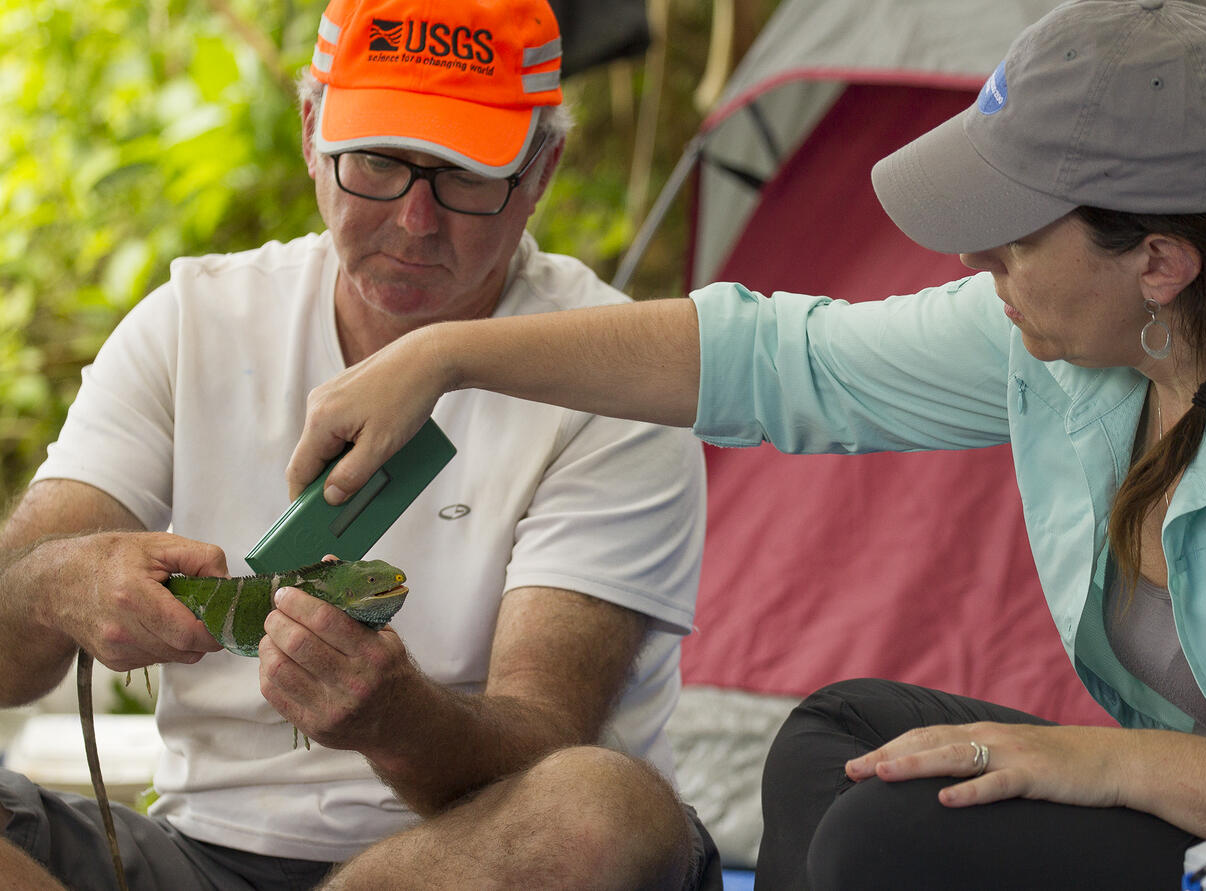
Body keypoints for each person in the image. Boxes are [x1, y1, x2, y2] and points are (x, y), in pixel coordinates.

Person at [280, 0, 1206, 887]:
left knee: (893, 835)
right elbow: (782, 358)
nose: (975, 255)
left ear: (1158, 262)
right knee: (832, 749)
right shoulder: (1080, 341)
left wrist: (1112, 766)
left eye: (1013, 233)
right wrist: (450, 358)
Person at [0, 0, 722, 888]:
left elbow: (547, 738)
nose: (417, 221)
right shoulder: (195, 323)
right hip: (194, 853)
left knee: (603, 810)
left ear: (541, 171)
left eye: (463, 173)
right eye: (378, 162)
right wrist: (56, 583)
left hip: (462, 858)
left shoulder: (614, 375)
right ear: (312, 135)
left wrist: (395, 717)